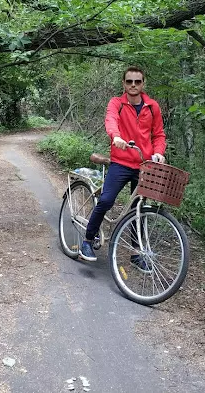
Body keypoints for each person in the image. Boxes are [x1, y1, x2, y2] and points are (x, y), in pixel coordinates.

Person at [80, 66, 166, 264]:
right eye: (129, 82)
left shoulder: (152, 107)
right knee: (106, 200)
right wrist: (116, 136)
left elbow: (159, 134)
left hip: (144, 165)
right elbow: (111, 120)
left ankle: (136, 252)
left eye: (137, 82)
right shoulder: (117, 103)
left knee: (139, 208)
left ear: (143, 84)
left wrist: (159, 153)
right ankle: (88, 239)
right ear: (124, 84)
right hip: (121, 162)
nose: (133, 85)